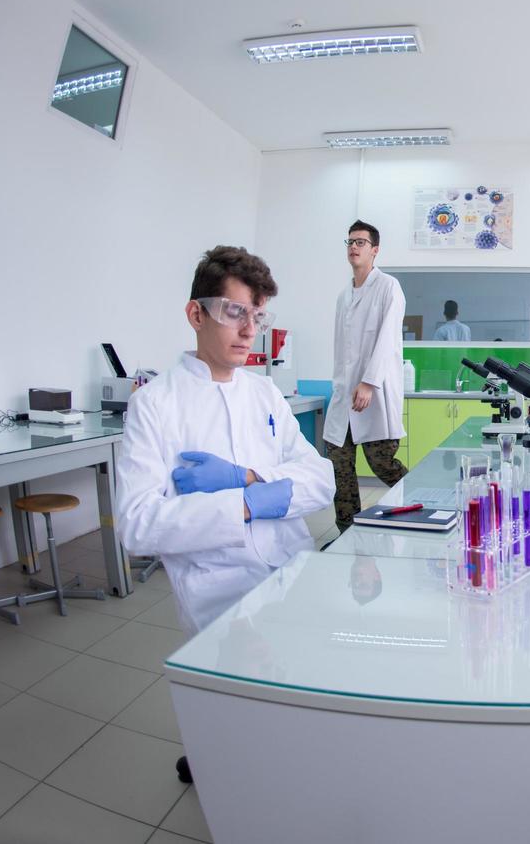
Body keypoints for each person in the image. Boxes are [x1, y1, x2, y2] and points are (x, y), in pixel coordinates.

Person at [116, 245, 335, 636]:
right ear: (196, 314)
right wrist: (242, 507)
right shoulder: (153, 403)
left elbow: (322, 480)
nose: (250, 330)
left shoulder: (264, 393)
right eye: (235, 312)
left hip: (297, 572)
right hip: (219, 595)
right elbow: (137, 526)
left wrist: (248, 479)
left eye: (258, 316)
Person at [324, 221, 408, 534]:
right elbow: (341, 350)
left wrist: (370, 382)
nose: (354, 247)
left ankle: (426, 505)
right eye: (350, 241)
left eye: (361, 242)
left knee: (382, 463)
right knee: (339, 466)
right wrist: (341, 386)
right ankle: (347, 531)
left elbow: (387, 339)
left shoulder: (388, 287)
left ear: (375, 250)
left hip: (374, 392)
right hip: (343, 394)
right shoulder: (343, 296)